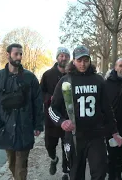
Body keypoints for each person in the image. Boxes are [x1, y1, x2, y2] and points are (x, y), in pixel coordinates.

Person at [48, 45, 122, 180]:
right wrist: (61, 122)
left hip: (96, 135)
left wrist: (114, 131)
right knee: (76, 174)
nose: (83, 64)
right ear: (74, 61)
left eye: (86, 60)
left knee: (100, 172)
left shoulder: (98, 80)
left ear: (90, 60)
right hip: (75, 136)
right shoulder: (66, 81)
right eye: (79, 60)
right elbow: (53, 108)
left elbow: (107, 108)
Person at [0, 43, 44, 180]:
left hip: (25, 127)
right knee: (12, 163)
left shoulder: (30, 78)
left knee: (21, 165)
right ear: (8, 55)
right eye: (16, 54)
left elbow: (37, 103)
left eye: (21, 54)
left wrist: (38, 125)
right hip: (6, 129)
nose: (19, 57)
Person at [40, 47, 71, 180]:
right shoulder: (48, 74)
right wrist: (49, 98)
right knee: (49, 145)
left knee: (67, 147)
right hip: (51, 117)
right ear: (57, 57)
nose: (63, 58)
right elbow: (40, 93)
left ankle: (65, 171)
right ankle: (54, 159)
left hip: (67, 117)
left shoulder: (72, 75)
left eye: (65, 56)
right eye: (61, 56)